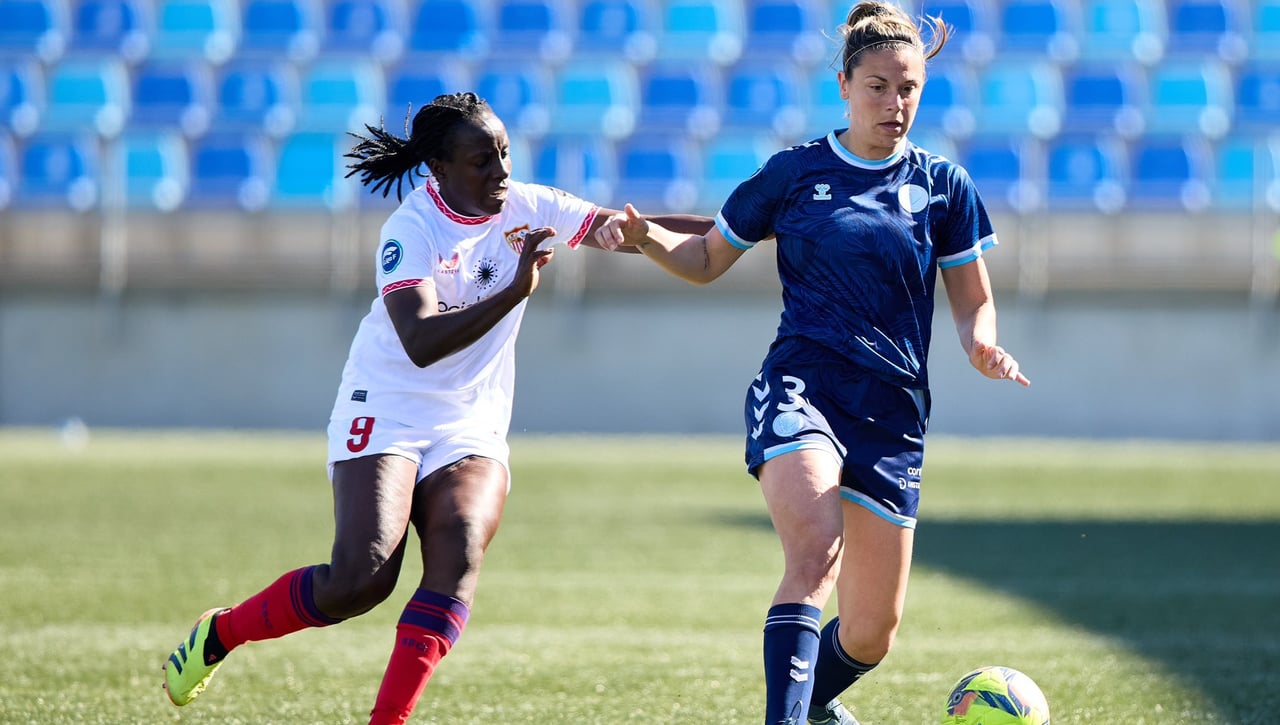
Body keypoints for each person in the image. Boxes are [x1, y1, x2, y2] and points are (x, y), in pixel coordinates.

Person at [161, 91, 712, 724]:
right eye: (482, 160)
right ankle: (221, 633)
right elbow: (420, 342)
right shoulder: (411, 231)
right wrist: (514, 290)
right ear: (438, 170)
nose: (501, 172)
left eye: (504, 153)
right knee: (361, 580)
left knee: (461, 545)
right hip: (388, 405)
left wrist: (750, 223)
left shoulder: (532, 205)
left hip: (469, 420)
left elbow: (634, 229)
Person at [593, 3, 1030, 724]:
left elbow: (973, 300)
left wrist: (982, 342)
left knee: (870, 633)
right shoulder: (794, 174)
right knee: (816, 552)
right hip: (803, 388)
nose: (896, 103)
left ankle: (813, 701)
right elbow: (706, 259)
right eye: (879, 87)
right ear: (844, 86)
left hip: (892, 418)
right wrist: (647, 239)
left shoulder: (945, 185)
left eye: (910, 88)